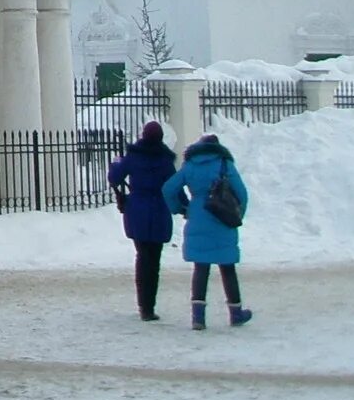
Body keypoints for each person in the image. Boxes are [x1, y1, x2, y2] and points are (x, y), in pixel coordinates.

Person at [161, 130, 253, 330]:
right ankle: (236, 313)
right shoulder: (224, 164)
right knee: (227, 267)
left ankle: (198, 318)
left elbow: (168, 189)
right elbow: (242, 194)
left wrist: (179, 208)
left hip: (197, 218)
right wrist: (237, 214)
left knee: (200, 268)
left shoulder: (190, 166)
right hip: (222, 219)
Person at [107, 119, 177, 320]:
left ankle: (143, 305)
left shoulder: (133, 157)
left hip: (136, 209)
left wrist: (116, 164)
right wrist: (183, 206)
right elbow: (173, 187)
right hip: (158, 211)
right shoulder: (165, 160)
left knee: (141, 256)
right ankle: (150, 306)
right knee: (154, 260)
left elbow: (114, 177)